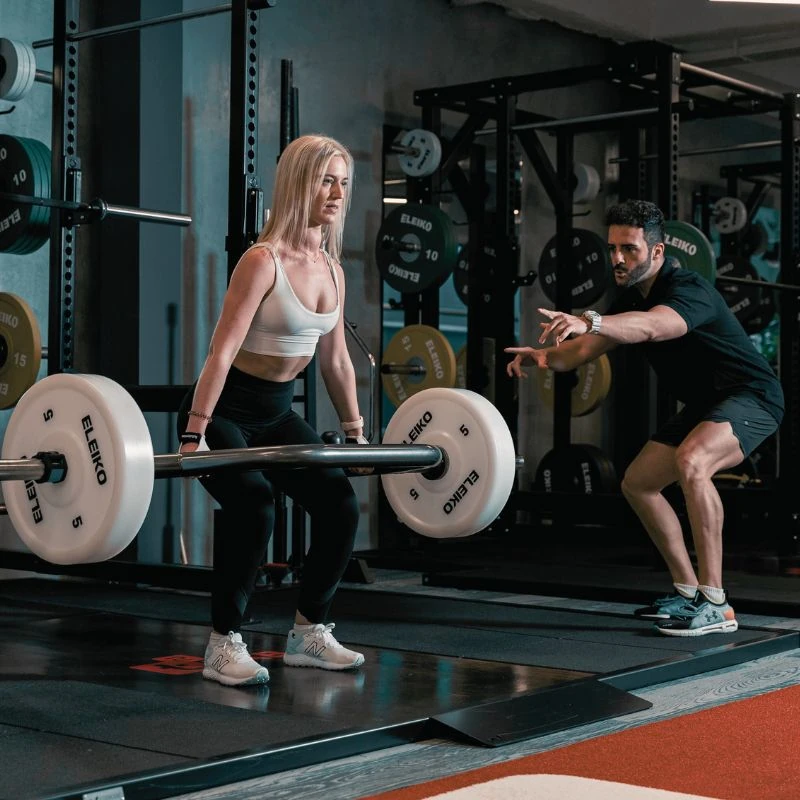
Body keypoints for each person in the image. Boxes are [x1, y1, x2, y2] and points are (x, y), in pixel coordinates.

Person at [506, 199, 784, 637]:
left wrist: (591, 319)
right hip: (707, 406)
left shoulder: (688, 289)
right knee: (638, 483)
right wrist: (544, 357)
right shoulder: (629, 297)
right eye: (613, 248)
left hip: (752, 397)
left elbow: (654, 327)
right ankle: (689, 591)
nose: (617, 258)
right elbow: (583, 350)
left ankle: (716, 603)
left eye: (629, 249)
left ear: (656, 252)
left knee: (693, 462)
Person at [177, 134, 368, 686]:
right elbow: (222, 350)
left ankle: (310, 632)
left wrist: (354, 434)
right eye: (325, 180)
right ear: (297, 184)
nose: (336, 193)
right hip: (225, 411)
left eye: (343, 183)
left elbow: (335, 362)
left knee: (339, 505)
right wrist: (195, 433)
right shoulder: (261, 262)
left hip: (279, 415)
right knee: (255, 506)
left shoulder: (333, 270)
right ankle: (222, 644)